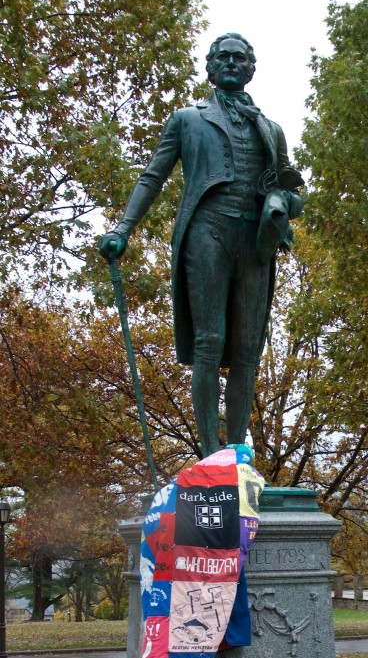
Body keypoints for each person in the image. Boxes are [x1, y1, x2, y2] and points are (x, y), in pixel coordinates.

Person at [99, 33, 304, 455]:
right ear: (210, 66)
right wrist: (122, 228)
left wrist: (284, 201)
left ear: (251, 68)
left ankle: (237, 454)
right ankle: (211, 455)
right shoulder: (187, 119)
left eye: (239, 58)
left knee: (248, 350)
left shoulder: (271, 129)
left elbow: (294, 193)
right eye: (223, 57)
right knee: (209, 342)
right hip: (206, 232)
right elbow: (152, 177)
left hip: (254, 242)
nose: (231, 63)